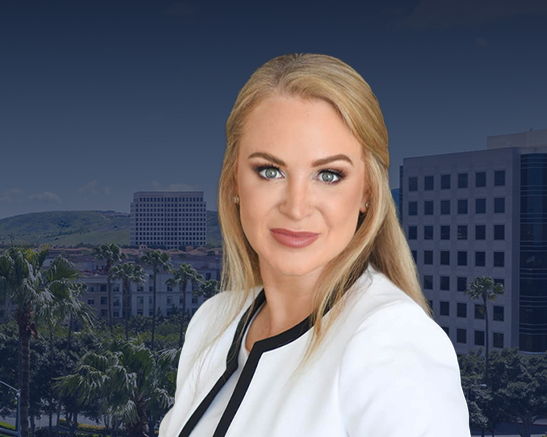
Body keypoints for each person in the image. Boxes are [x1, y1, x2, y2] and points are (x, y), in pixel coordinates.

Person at [158, 54, 468, 436]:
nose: (296, 206)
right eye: (270, 171)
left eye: (328, 174)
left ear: (367, 193)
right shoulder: (213, 322)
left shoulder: (392, 342)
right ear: (234, 182)